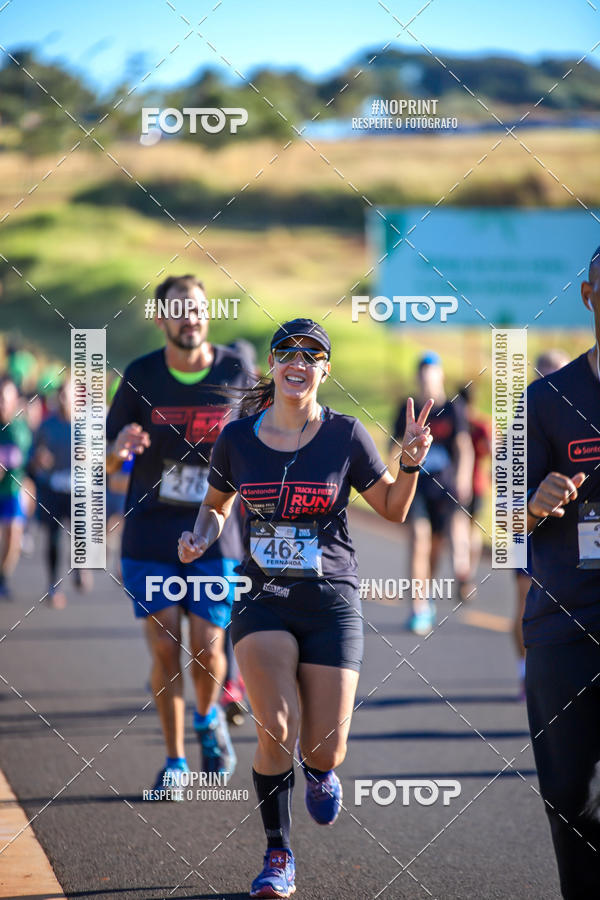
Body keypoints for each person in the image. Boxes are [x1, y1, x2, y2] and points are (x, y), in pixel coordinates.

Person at [178, 318, 433, 899]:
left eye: (311, 353)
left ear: (324, 369)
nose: (298, 361)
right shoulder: (237, 439)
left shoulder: (345, 436)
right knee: (277, 729)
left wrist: (412, 462)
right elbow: (215, 506)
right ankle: (278, 854)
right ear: (273, 365)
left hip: (331, 600)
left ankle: (320, 771)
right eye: (287, 352)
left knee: (324, 746)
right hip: (261, 598)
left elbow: (393, 508)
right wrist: (200, 535)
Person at [106, 274, 254, 794]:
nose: (189, 318)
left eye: (197, 308)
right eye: (178, 309)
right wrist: (121, 447)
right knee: (166, 646)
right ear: (161, 318)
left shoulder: (236, 369)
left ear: (207, 314)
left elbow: (263, 440)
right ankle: (174, 761)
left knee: (208, 647)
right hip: (150, 531)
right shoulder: (142, 374)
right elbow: (104, 462)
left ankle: (208, 718)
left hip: (215, 530)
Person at [524, 246, 600, 898]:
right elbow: (503, 525)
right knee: (570, 796)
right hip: (564, 621)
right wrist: (532, 505)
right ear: (587, 295)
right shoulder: (545, 398)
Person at [391, 352, 474, 634]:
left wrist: (463, 478)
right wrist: (393, 479)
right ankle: (418, 606)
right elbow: (393, 447)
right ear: (417, 378)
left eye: (432, 375)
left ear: (441, 376)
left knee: (435, 547)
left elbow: (464, 446)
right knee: (419, 538)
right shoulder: (406, 407)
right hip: (416, 486)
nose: (427, 381)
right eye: (423, 376)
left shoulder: (454, 408)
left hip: (445, 488)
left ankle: (428, 591)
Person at [512, 349, 569, 697]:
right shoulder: (526, 418)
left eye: (558, 377)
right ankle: (525, 669)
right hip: (528, 529)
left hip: (574, 530)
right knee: (525, 604)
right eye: (544, 377)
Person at [29, 379, 93, 608]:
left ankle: (79, 567)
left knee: (80, 535)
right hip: (54, 487)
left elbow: (108, 459)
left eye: (70, 395)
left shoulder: (90, 424)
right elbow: (32, 458)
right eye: (63, 395)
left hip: (81, 489)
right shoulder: (47, 425)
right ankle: (54, 584)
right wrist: (39, 460)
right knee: (53, 538)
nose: (66, 399)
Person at [458, 383, 492, 599]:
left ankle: (465, 576)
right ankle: (465, 576)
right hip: (470, 486)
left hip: (471, 486)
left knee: (466, 531)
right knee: (467, 532)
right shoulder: (474, 425)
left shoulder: (473, 425)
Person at [0, 377, 32, 599]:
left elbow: (27, 461)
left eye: (5, 398)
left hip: (12, 490)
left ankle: (3, 578)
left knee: (12, 536)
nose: (1, 403)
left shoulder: (20, 429)